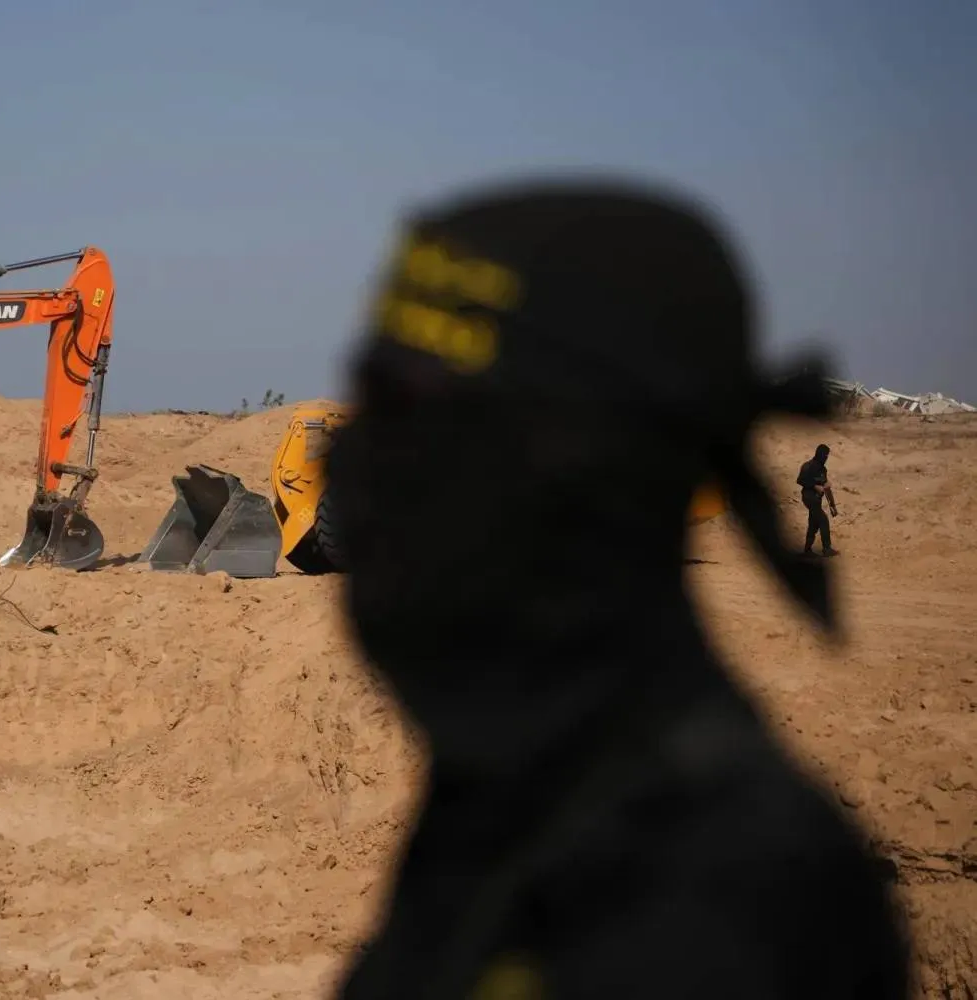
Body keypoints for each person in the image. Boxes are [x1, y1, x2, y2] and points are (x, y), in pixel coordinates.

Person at [323, 179, 909, 999]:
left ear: (584, 469)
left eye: (407, 415)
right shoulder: (509, 794)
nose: (349, 464)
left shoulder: (727, 904)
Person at [797, 443, 839, 557]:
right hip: (809, 498)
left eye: (827, 456)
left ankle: (807, 550)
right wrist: (815, 486)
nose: (826, 458)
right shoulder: (808, 466)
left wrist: (832, 506)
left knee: (813, 523)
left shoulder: (823, 469)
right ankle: (826, 548)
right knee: (823, 520)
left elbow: (826, 488)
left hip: (817, 500)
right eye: (825, 455)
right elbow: (800, 480)